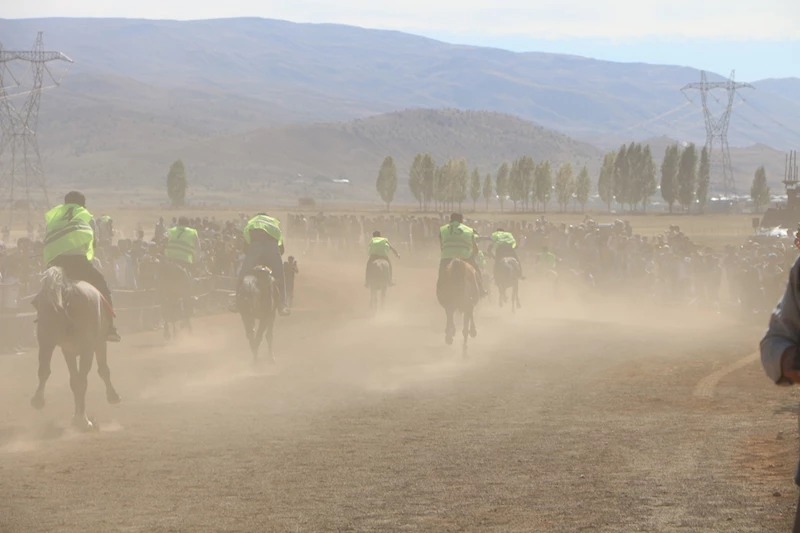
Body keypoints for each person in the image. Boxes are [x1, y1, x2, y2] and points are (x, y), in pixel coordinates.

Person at [42, 191, 120, 342]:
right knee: (102, 286)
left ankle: (42, 323)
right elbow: (93, 241)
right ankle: (111, 328)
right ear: (82, 204)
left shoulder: (54, 216)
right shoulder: (86, 216)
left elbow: (47, 238)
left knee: (45, 290)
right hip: (78, 262)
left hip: (56, 262)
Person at [231, 213, 289, 316]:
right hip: (272, 246)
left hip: (255, 246)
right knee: (280, 276)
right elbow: (281, 248)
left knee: (243, 273)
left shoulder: (251, 223)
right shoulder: (274, 224)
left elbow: (246, 247)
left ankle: (236, 302)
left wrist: (253, 255)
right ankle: (282, 305)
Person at [437, 213, 487, 296]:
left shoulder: (443, 229)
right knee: (477, 271)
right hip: (465, 256)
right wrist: (472, 255)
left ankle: (440, 291)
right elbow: (475, 250)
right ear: (461, 220)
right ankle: (482, 290)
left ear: (451, 219)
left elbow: (441, 247)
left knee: (442, 274)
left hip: (447, 256)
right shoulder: (469, 230)